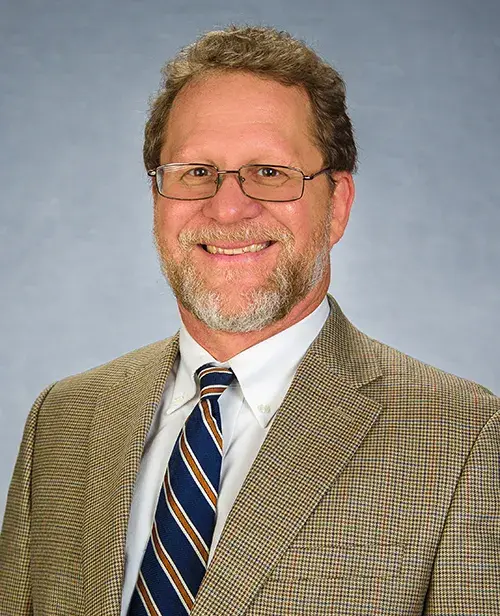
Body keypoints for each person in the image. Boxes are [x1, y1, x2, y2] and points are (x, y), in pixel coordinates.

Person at [1, 25, 499, 616]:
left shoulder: (465, 437)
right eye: (195, 171)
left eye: (269, 172)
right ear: (157, 198)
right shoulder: (63, 419)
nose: (228, 207)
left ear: (337, 205)